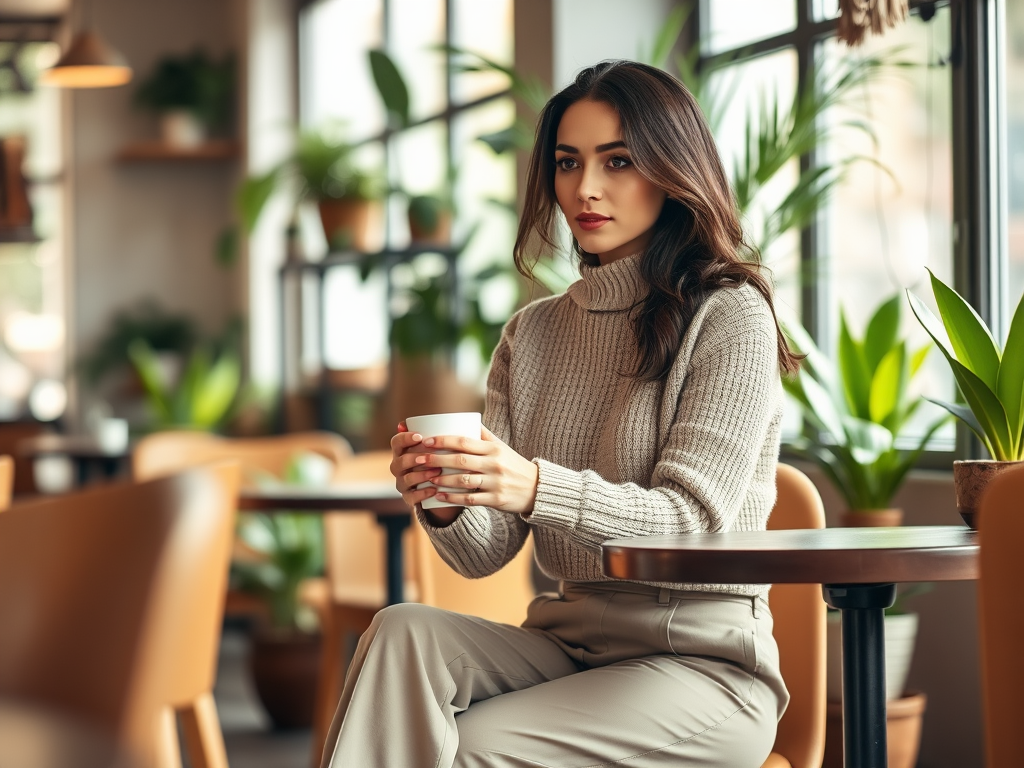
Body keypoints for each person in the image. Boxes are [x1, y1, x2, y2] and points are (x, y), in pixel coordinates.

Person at [321, 59, 801, 768]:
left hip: (701, 667)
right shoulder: (534, 332)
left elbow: (692, 520)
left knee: (467, 748)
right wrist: (447, 496)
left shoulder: (730, 314)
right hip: (567, 646)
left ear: (672, 170)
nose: (587, 187)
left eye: (619, 160)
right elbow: (488, 554)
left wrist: (533, 485)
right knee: (400, 632)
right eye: (568, 162)